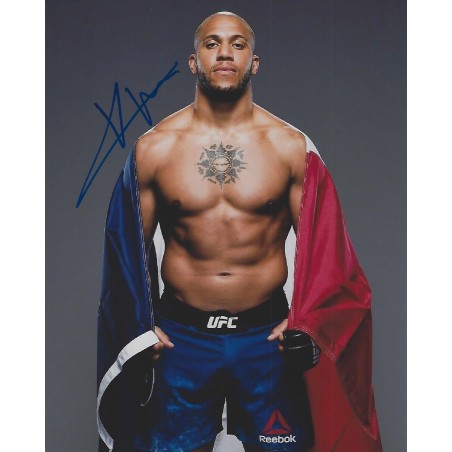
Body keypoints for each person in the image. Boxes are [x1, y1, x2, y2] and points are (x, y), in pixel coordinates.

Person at [97, 11, 382, 452]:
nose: (225, 53)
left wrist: (309, 324)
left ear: (255, 62)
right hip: (182, 341)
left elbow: (328, 252)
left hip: (266, 340)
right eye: (212, 44)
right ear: (194, 62)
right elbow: (124, 251)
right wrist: (136, 330)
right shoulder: (155, 149)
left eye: (237, 44)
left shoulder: (289, 148)